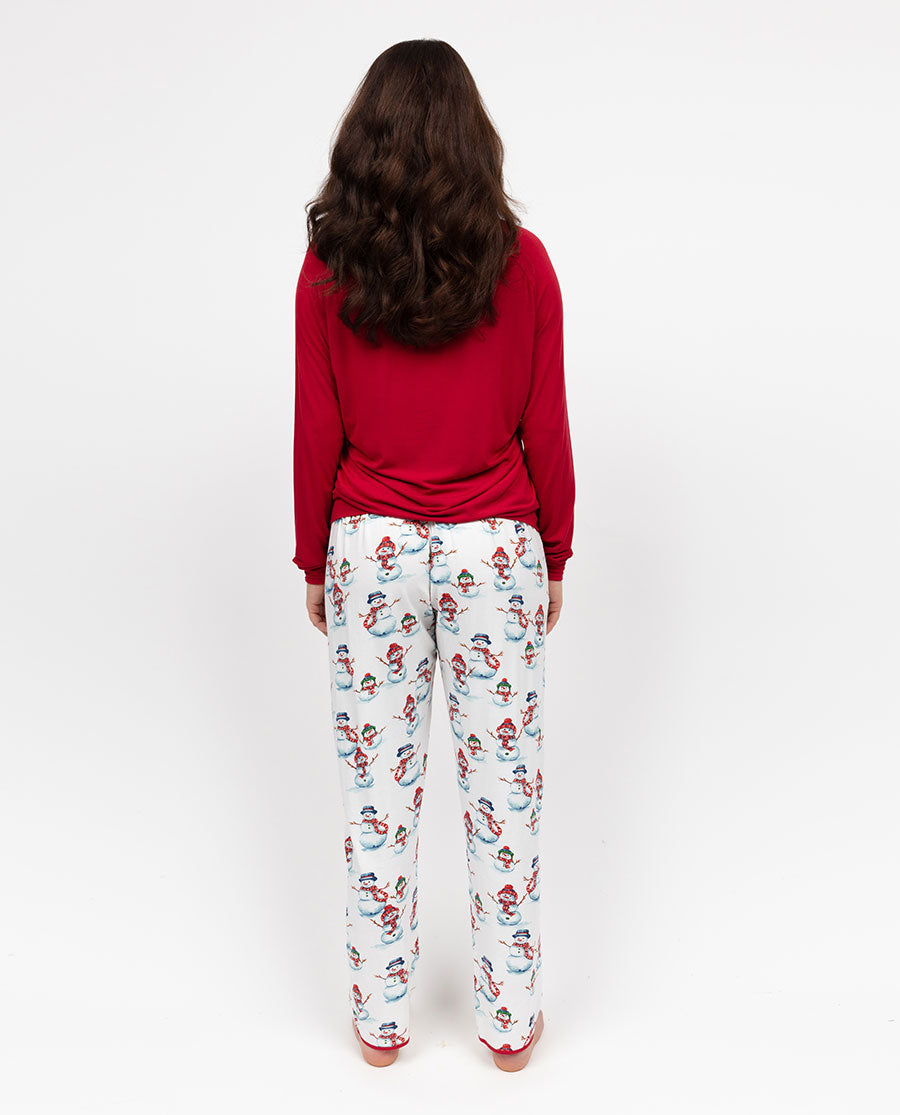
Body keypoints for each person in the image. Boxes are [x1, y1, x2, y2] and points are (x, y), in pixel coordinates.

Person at [292, 39, 575, 1072]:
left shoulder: (330, 270)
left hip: (370, 543)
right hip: (495, 548)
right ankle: (508, 1023)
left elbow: (315, 427)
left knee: (378, 797)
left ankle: (380, 1022)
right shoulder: (523, 264)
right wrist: (554, 548)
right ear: (474, 138)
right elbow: (547, 423)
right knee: (506, 793)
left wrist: (313, 558)